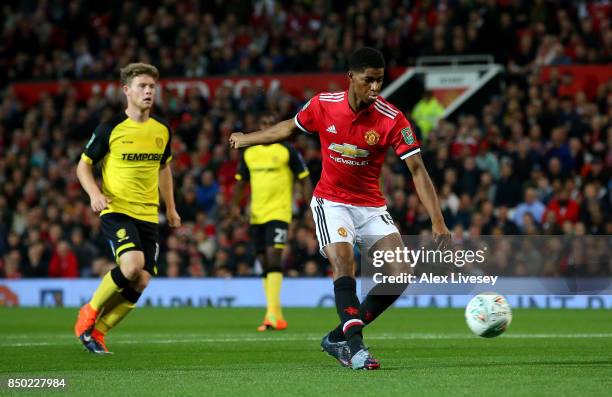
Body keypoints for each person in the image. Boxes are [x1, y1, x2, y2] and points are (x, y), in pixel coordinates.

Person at [230, 47, 450, 370]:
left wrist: (438, 221)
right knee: (343, 260)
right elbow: (289, 128)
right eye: (368, 80)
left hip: (371, 205)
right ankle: (356, 349)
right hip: (331, 202)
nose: (375, 88)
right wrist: (247, 138)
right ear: (351, 78)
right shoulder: (323, 105)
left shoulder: (392, 119)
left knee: (401, 273)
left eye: (380, 81)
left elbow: (417, 169)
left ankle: (338, 337)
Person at [74, 63, 181, 354]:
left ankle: (98, 332)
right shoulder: (110, 128)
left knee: (143, 279)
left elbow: (164, 170)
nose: (148, 91)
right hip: (117, 208)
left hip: (148, 214)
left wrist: (170, 208)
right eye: (142, 86)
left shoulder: (161, 130)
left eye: (152, 87)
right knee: (132, 266)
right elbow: (83, 166)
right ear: (126, 91)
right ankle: (91, 309)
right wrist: (95, 193)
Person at [232, 112, 312, 331]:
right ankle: (276, 315)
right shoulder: (249, 152)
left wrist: (309, 207)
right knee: (265, 263)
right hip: (256, 214)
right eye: (264, 123)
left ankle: (271, 315)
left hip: (280, 212)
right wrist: (234, 206)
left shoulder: (288, 150)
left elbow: (304, 179)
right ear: (260, 126)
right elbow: (240, 182)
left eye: (271, 124)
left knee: (273, 257)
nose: (267, 127)